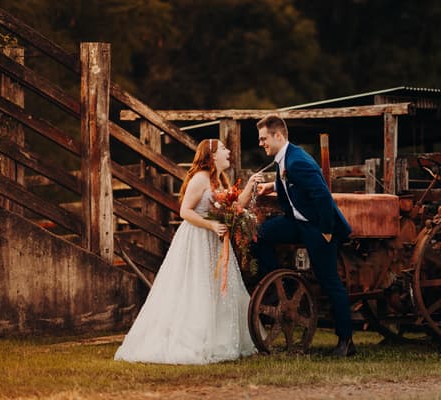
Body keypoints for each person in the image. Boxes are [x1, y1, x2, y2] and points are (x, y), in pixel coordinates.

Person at [115, 138, 261, 364]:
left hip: (216, 240)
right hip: (197, 239)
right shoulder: (200, 178)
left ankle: (221, 340)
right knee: (197, 287)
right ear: (212, 155)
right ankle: (193, 341)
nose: (228, 151)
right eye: (223, 149)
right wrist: (211, 225)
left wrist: (250, 184)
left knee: (218, 290)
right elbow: (185, 211)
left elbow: (234, 208)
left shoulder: (221, 180)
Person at [254, 115, 355, 357]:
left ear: (278, 136)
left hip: (317, 226)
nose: (260, 143)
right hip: (297, 222)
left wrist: (327, 231)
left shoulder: (297, 160)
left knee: (329, 280)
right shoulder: (284, 158)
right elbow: (292, 185)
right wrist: (271, 186)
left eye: (263, 138)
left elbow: (322, 196)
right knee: (263, 234)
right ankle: (284, 287)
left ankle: (346, 341)